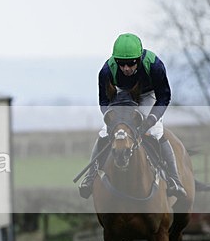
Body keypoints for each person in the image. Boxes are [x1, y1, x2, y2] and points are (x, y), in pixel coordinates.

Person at [79, 33, 187, 199]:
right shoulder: (107, 70)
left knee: (156, 132)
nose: (126, 68)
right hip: (123, 95)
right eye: (121, 64)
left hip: (149, 94)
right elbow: (103, 102)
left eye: (131, 63)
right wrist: (112, 121)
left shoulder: (155, 66)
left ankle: (174, 180)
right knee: (104, 133)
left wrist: (150, 120)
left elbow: (164, 97)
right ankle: (90, 176)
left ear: (139, 58)